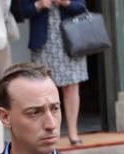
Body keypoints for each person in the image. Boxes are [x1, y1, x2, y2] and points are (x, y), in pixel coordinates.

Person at [21, 0, 87, 145]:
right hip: (43, 42)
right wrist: (39, 5)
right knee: (42, 89)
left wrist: (66, 2)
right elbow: (21, 11)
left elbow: (82, 6)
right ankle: (46, 133)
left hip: (71, 40)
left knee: (71, 87)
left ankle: (73, 133)